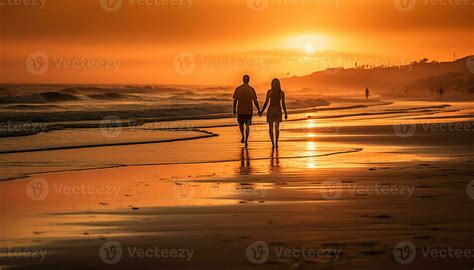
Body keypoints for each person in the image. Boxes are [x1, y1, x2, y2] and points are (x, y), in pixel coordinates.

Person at [233, 75, 260, 147]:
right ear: (249, 80)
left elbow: (235, 100)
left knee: (241, 125)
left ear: (243, 80)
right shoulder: (251, 89)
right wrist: (259, 110)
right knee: (247, 126)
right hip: (248, 111)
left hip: (240, 110)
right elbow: (255, 101)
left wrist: (234, 109)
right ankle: (246, 140)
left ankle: (242, 136)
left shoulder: (238, 89)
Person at [260, 78, 288, 148]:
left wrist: (261, 111)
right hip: (278, 111)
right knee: (277, 128)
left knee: (271, 128)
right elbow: (283, 104)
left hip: (271, 111)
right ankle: (276, 142)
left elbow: (266, 102)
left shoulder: (269, 92)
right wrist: (285, 113)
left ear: (272, 84)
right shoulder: (281, 93)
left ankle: (273, 143)